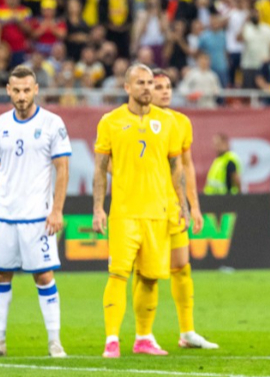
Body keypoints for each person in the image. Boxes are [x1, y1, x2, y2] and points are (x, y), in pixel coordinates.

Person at [0, 67, 72, 359]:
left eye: (27, 90)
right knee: (0, 275)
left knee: (43, 276)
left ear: (36, 90)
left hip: (37, 217)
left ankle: (55, 342)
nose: (21, 96)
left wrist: (57, 210)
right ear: (8, 90)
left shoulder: (53, 123)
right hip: (3, 215)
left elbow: (62, 168)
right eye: (16, 90)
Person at [93, 64, 187, 358]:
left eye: (150, 82)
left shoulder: (167, 122)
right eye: (140, 83)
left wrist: (182, 204)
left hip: (158, 212)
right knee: (118, 273)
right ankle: (111, 339)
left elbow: (176, 167)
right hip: (124, 212)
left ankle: (143, 337)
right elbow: (99, 169)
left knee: (149, 277)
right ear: (127, 87)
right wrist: (98, 207)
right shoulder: (110, 121)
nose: (147, 87)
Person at [150, 69, 219, 350]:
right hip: (148, 206)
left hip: (175, 206)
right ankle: (144, 335)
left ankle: (187, 332)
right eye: (158, 87)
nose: (165, 91)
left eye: (168, 86)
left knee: (181, 267)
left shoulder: (181, 122)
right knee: (148, 272)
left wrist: (194, 205)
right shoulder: (137, 122)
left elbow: (187, 166)